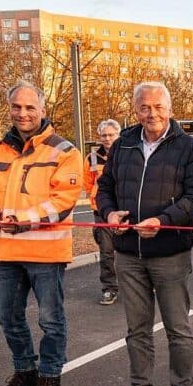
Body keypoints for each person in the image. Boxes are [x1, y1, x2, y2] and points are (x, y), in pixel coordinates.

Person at [96, 82, 193, 386]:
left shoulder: (188, 147)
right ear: (135, 110)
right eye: (144, 107)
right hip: (128, 252)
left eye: (158, 106)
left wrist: (164, 220)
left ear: (170, 109)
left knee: (178, 328)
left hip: (169, 252)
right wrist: (109, 213)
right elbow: (105, 188)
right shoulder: (124, 144)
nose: (151, 113)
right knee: (137, 328)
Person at [0, 80, 83, 386]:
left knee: (51, 319)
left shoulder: (64, 151)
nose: (23, 113)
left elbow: (62, 202)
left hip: (45, 253)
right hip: (5, 251)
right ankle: (24, 372)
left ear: (43, 110)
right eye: (16, 107)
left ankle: (49, 377)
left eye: (30, 107)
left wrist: (21, 218)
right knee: (7, 316)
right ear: (9, 109)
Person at [85, 119, 121, 305]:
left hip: (124, 209)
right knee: (107, 252)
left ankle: (141, 285)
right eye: (104, 135)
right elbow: (87, 182)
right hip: (101, 211)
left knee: (133, 251)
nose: (107, 139)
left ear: (118, 135)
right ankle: (109, 288)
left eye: (111, 135)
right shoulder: (91, 159)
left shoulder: (127, 153)